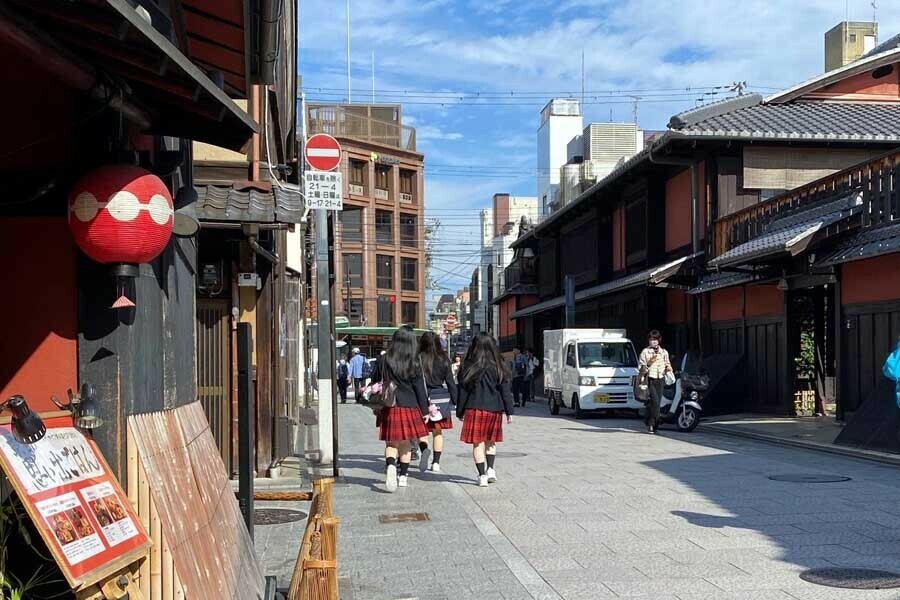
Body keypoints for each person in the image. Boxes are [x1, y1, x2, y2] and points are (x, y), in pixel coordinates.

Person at [372, 326, 429, 492]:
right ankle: (403, 477)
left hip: (390, 405)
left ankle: (391, 466)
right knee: (405, 444)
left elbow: (376, 380)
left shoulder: (385, 359)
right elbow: (420, 388)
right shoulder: (415, 361)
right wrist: (424, 411)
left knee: (391, 443)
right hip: (410, 405)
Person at [457, 332, 514, 487]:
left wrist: (459, 411)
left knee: (478, 443)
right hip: (494, 409)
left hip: (474, 408)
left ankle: (482, 475)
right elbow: (505, 391)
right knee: (491, 441)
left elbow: (463, 391)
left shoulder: (468, 365)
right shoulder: (498, 365)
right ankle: (490, 469)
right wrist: (509, 412)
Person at [416, 331, 458, 473]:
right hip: (440, 398)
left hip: (421, 397)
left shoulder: (418, 359)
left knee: (422, 431)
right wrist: (456, 401)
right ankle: (436, 462)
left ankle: (424, 451)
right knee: (437, 432)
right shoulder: (444, 359)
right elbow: (451, 382)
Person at [638, 330, 672, 434]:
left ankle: (651, 423)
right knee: (655, 402)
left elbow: (667, 363)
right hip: (650, 379)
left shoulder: (664, 352)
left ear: (659, 340)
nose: (653, 342)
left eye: (655, 340)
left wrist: (669, 368)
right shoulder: (645, 352)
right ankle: (653, 423)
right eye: (651, 339)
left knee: (656, 402)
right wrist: (647, 365)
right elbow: (640, 366)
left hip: (660, 378)